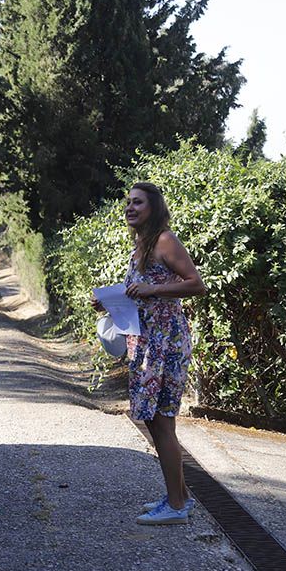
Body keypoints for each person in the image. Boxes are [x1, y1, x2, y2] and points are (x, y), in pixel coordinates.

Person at [96, 182, 206, 526]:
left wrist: (153, 289)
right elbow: (140, 292)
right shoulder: (141, 246)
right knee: (154, 420)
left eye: (138, 203)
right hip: (146, 342)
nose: (130, 207)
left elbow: (196, 284)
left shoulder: (164, 241)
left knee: (162, 422)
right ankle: (179, 497)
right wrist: (110, 299)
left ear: (154, 207)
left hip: (165, 342)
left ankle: (175, 506)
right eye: (128, 202)